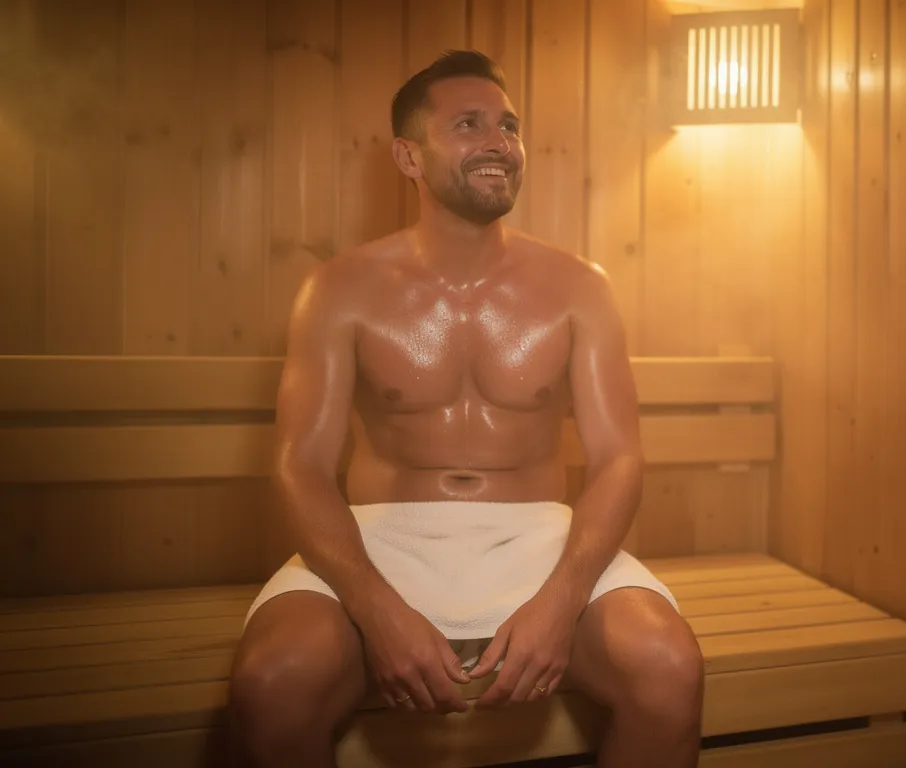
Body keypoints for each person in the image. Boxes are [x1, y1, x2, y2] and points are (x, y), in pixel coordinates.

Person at [226, 50, 704, 767]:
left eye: (508, 126)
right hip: (381, 541)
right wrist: (376, 609)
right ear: (408, 155)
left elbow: (618, 458)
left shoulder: (579, 287)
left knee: (669, 668)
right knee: (274, 681)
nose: (498, 142)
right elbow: (303, 465)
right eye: (468, 125)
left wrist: (561, 599)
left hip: (542, 541)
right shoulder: (339, 289)